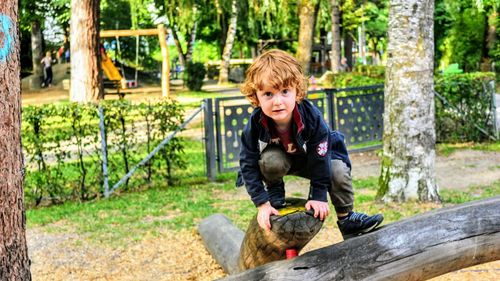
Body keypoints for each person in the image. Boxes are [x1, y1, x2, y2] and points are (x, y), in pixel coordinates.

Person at [237, 49, 383, 240]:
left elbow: (321, 156)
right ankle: (275, 193)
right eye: (268, 94)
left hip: (315, 160)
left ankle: (347, 219)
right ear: (256, 98)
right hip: (283, 160)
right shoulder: (256, 123)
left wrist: (318, 195)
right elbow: (247, 162)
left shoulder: (312, 118)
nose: (277, 101)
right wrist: (262, 204)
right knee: (269, 160)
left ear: (297, 91)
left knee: (337, 170)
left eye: (284, 91)